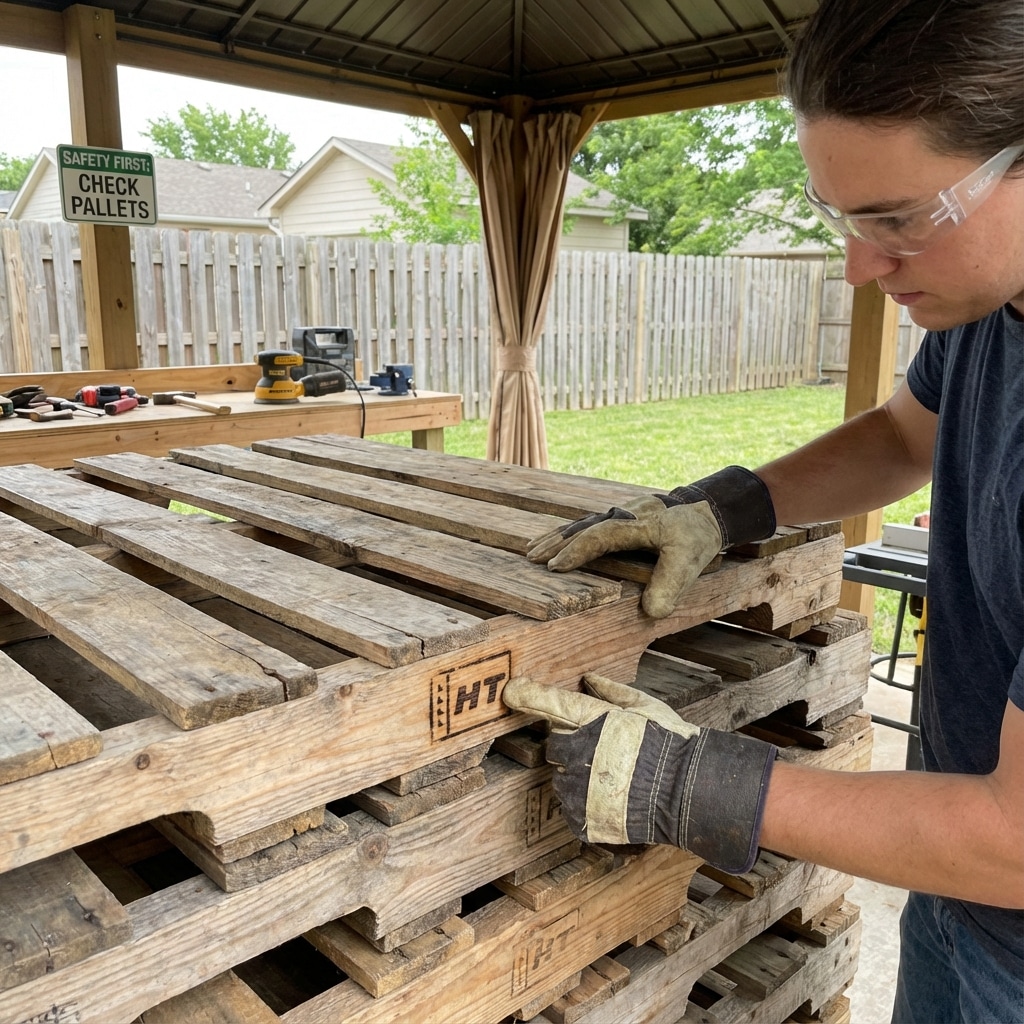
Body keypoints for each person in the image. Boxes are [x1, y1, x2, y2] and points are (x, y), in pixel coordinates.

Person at [502, 1, 1024, 1021]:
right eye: (844, 218)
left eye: (899, 219)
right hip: (959, 902)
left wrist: (693, 784)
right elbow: (902, 435)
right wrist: (726, 507)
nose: (858, 268)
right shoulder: (990, 305)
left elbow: (1014, 840)